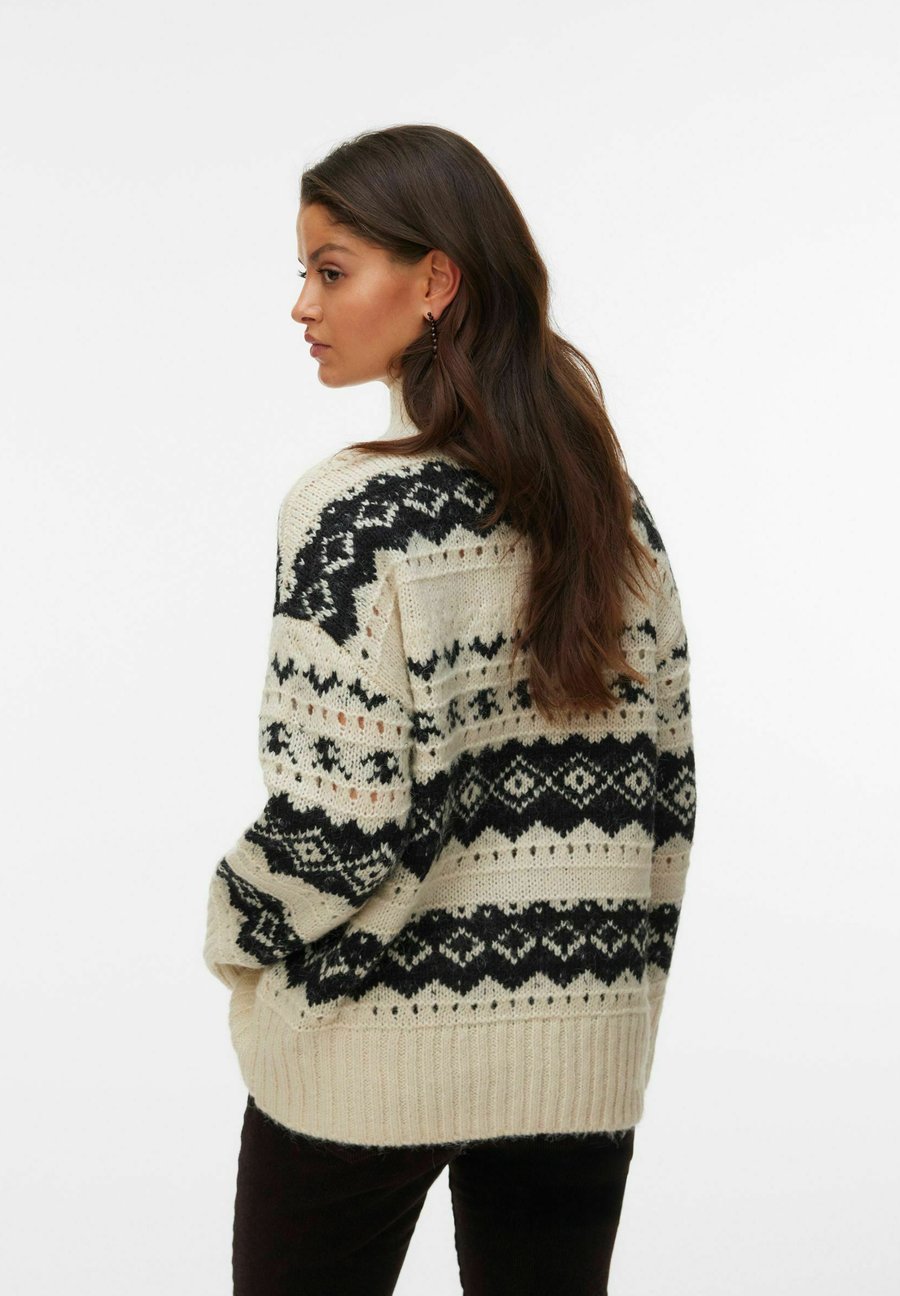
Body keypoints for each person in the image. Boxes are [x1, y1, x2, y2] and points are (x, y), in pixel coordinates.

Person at [203, 124, 697, 1296]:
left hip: (363, 1056)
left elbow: (337, 824)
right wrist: (605, 991)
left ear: (434, 282)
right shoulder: (611, 507)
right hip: (578, 1056)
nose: (303, 305)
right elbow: (665, 801)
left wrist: (234, 929)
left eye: (331, 270)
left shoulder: (353, 516)